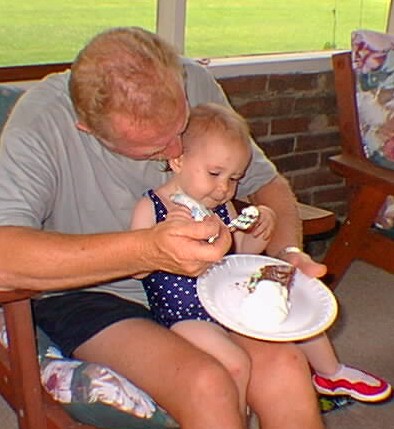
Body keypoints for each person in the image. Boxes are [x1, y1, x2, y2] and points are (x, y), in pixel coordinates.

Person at [0, 27, 333, 429]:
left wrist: (288, 255)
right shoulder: (41, 123)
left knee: (287, 369)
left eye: (180, 128)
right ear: (86, 127)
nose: (177, 150)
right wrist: (148, 250)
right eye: (155, 147)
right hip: (94, 293)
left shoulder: (194, 81)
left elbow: (267, 184)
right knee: (207, 384)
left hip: (206, 285)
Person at [132, 102, 391, 408]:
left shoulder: (220, 207)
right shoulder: (153, 207)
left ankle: (330, 373)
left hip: (228, 299)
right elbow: (137, 269)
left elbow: (237, 254)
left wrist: (260, 229)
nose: (223, 188)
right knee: (235, 362)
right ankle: (235, 424)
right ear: (177, 160)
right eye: (215, 173)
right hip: (184, 314)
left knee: (290, 309)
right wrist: (162, 241)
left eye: (233, 178)